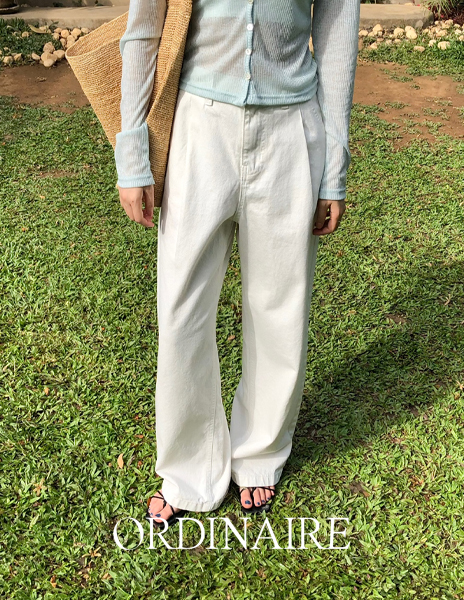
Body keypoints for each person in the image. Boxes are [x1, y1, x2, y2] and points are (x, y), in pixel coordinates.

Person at [114, 0, 360, 526]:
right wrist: (132, 153)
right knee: (181, 308)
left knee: (279, 306)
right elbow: (143, 30)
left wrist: (334, 167)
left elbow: (338, 33)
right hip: (197, 126)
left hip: (292, 127)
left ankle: (260, 453)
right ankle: (188, 469)